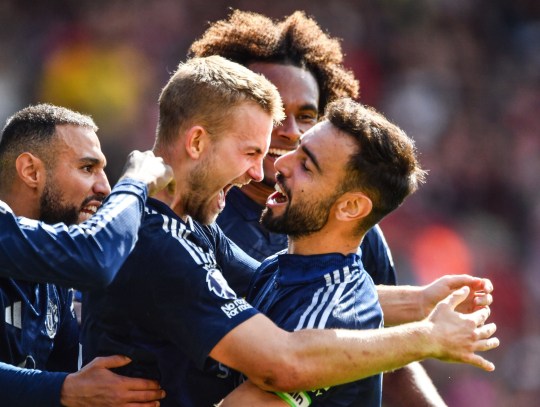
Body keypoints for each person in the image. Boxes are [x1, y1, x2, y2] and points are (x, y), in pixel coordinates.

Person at [81, 55, 498, 407]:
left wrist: (423, 319)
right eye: (254, 151)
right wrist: (423, 320)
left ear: (352, 206)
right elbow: (281, 348)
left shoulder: (330, 315)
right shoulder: (245, 259)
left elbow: (283, 350)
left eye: (306, 163)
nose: (270, 167)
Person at [190, 9, 443, 405]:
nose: (289, 130)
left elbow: (381, 354)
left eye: (306, 116)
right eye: (271, 110)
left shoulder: (358, 236)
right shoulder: (194, 215)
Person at [0, 103, 173, 407]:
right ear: (31, 171)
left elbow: (71, 376)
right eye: (87, 168)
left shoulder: (54, 276)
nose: (105, 187)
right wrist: (135, 185)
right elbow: (95, 258)